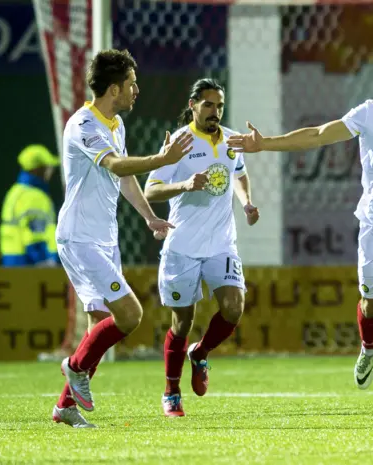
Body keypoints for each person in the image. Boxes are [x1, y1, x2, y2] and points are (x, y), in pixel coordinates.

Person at [228, 39, 373, 417]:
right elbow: (320, 134)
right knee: (372, 302)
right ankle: (369, 344)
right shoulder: (370, 113)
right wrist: (265, 144)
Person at [52, 49, 194, 428]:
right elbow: (115, 164)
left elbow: (123, 177)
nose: (137, 90)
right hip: (79, 238)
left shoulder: (115, 124)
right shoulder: (84, 124)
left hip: (104, 237)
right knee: (129, 315)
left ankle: (66, 406)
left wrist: (149, 217)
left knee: (99, 323)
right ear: (114, 88)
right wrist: (161, 161)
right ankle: (74, 366)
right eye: (132, 84)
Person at [144, 78, 259, 417]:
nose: (215, 112)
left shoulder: (230, 139)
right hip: (183, 245)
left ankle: (202, 352)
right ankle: (171, 391)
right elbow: (151, 190)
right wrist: (185, 184)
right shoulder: (180, 142)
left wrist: (247, 202)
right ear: (193, 104)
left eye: (219, 106)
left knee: (234, 308)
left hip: (222, 243)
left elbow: (238, 173)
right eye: (209, 105)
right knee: (182, 322)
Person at [0, 145, 61, 266]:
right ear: (37, 169)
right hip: (32, 266)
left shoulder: (15, 191)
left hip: (12, 263)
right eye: (47, 167)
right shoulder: (35, 196)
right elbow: (35, 235)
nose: (50, 172)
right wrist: (45, 262)